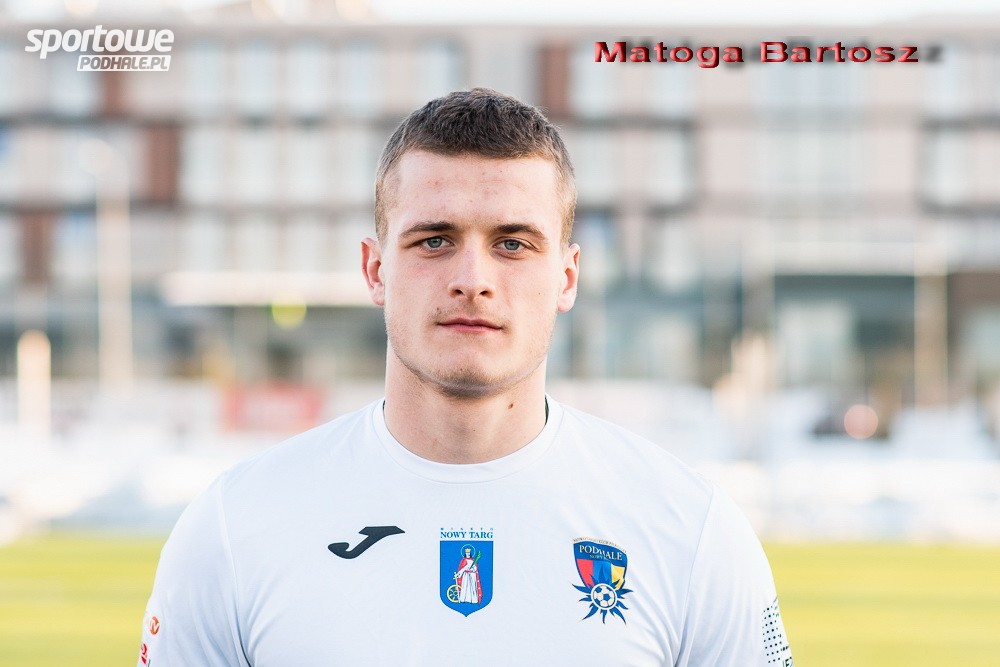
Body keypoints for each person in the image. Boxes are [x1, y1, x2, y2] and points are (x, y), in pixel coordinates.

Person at [137, 88, 793, 666]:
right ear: (375, 270)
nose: (472, 279)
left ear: (567, 276)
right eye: (434, 240)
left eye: (513, 243)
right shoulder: (235, 526)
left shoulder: (693, 531)